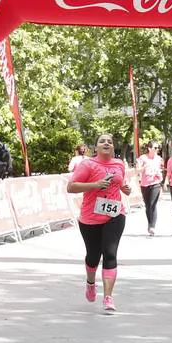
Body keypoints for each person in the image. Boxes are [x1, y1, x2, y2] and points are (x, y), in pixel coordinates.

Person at [67, 134, 128, 312]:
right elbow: (71, 187)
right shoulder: (88, 165)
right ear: (96, 148)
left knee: (110, 254)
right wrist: (95, 185)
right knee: (93, 256)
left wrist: (125, 188)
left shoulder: (119, 164)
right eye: (102, 141)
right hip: (90, 217)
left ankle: (108, 297)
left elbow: (119, 182)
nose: (106, 143)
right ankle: (90, 283)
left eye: (109, 141)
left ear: (113, 147)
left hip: (115, 214)